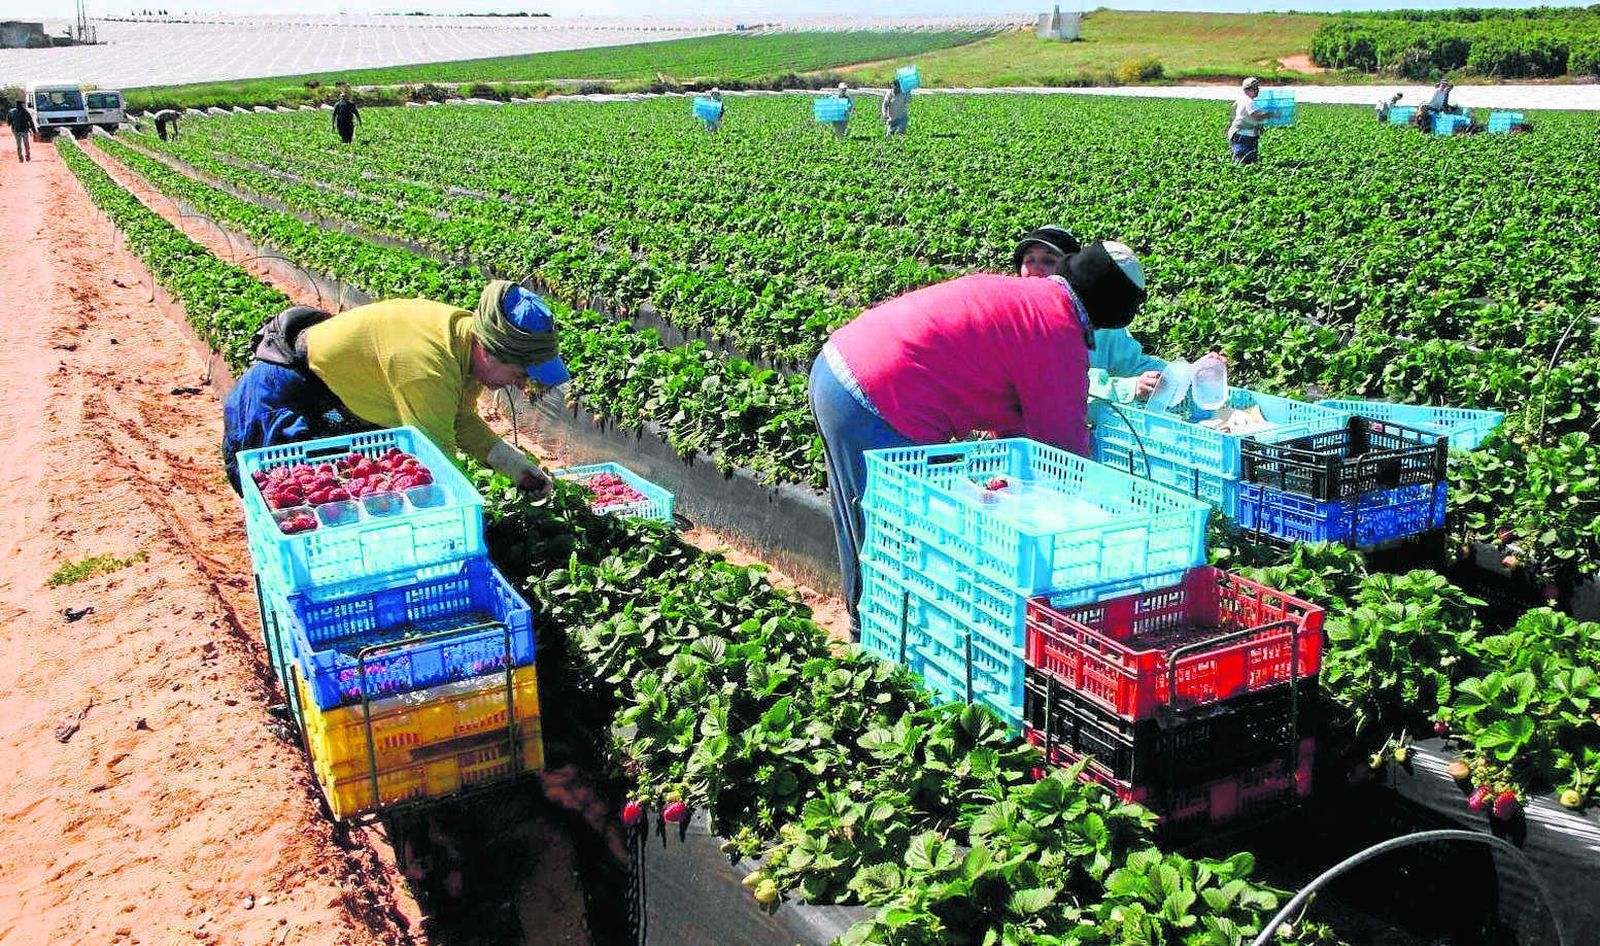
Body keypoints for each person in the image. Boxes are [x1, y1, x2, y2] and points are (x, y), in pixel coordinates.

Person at [810, 241, 1148, 628]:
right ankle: (878, 637)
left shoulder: (1030, 299)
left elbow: (1016, 423)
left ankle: (867, 625)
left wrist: (1004, 481)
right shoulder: (1058, 331)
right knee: (897, 530)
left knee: (859, 512)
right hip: (880, 393)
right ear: (1106, 309)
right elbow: (1063, 454)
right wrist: (1102, 516)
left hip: (838, 363)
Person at [222, 280, 567, 497]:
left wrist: (516, 468)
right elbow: (435, 461)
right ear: (489, 351)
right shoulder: (426, 366)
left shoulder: (463, 339)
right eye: (521, 373)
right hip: (284, 401)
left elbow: (460, 421)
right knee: (293, 506)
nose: (522, 385)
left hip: (337, 398)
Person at [1012, 227, 1165, 404]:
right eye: (1029, 260)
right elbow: (1064, 385)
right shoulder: (1027, 323)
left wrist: (1174, 373)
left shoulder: (1103, 326)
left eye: (1048, 260)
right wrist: (1129, 389)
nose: (1035, 269)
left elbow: (1131, 363)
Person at [1228, 77, 1271, 165]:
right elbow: (1256, 115)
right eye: (1255, 88)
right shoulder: (1249, 101)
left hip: (1241, 133)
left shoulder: (1241, 99)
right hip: (1243, 135)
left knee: (1246, 158)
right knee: (1244, 159)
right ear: (1249, 89)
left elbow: (1233, 113)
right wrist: (1271, 114)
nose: (1258, 90)